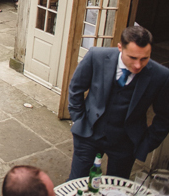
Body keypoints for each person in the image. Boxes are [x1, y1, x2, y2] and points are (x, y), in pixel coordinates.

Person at [68, 26, 169, 180]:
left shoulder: (161, 75)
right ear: (120, 47)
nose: (138, 65)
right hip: (89, 133)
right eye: (133, 58)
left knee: (116, 188)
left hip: (126, 143)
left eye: (144, 58)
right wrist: (79, 119)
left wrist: (146, 144)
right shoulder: (97, 56)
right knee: (77, 182)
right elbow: (76, 88)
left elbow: (164, 116)